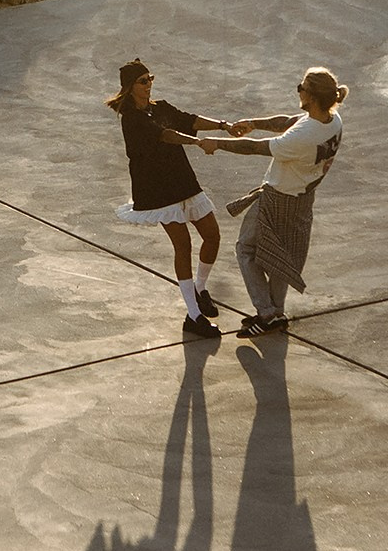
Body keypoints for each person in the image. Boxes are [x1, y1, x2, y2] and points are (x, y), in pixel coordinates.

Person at [196, 66, 347, 337]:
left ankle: (266, 313)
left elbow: (256, 147)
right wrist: (253, 123)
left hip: (279, 198)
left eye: (301, 88)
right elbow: (289, 121)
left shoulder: (302, 137)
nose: (298, 91)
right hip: (303, 199)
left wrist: (216, 143)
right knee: (282, 257)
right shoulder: (332, 121)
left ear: (312, 97)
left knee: (246, 249)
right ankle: (276, 313)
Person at [107, 57, 242, 339]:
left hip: (182, 180)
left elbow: (190, 120)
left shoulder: (161, 107)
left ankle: (200, 289)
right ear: (130, 87)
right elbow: (166, 135)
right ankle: (193, 316)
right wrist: (197, 142)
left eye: (150, 79)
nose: (149, 85)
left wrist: (224, 125)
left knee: (212, 235)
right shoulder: (131, 119)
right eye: (143, 81)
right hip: (157, 189)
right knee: (183, 245)